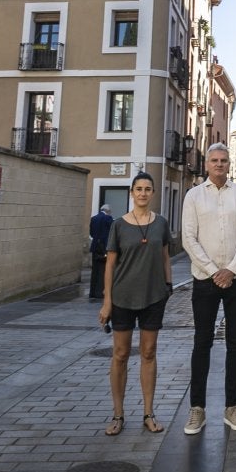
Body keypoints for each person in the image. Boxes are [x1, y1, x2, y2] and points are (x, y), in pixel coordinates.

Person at [181, 142, 236, 435]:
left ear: (229, 164)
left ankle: (232, 407)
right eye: (214, 160)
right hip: (205, 280)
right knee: (202, 342)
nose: (219, 164)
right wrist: (215, 272)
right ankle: (197, 409)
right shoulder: (193, 196)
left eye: (224, 160)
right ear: (207, 164)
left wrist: (231, 270)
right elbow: (189, 238)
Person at [98, 173, 173, 436]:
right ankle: (118, 414)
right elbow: (110, 265)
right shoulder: (118, 225)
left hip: (153, 297)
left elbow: (165, 257)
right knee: (120, 354)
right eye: (138, 189)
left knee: (149, 353)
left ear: (153, 193)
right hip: (122, 298)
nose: (143, 193)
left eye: (147, 189)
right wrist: (107, 302)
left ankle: (149, 413)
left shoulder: (161, 224)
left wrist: (168, 285)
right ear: (132, 193)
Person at [88, 203, 114, 300]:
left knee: (95, 270)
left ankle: (92, 292)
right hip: (104, 247)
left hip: (95, 247)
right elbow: (112, 233)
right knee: (104, 270)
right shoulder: (108, 219)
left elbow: (91, 233)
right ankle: (100, 292)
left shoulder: (94, 218)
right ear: (108, 211)